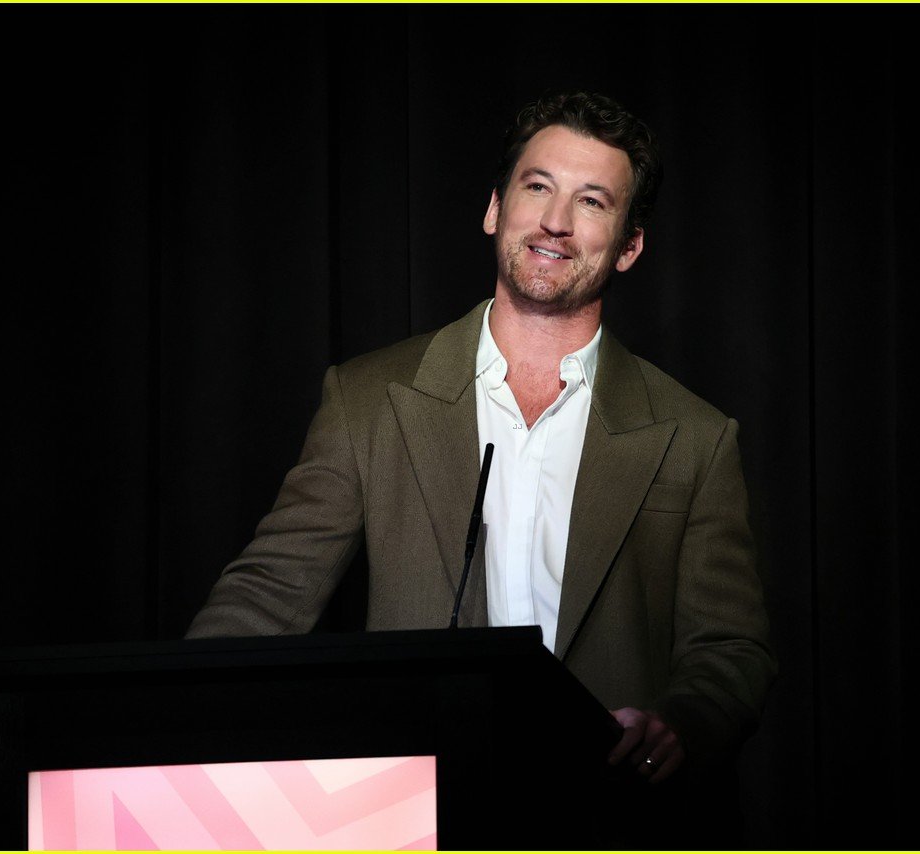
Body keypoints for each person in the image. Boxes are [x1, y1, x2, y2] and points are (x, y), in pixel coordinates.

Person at [187, 90, 774, 811]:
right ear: (496, 209)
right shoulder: (369, 398)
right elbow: (268, 596)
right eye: (538, 188)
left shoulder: (696, 436)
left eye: (591, 201)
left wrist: (681, 725)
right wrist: (164, 730)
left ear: (629, 245)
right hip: (409, 805)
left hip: (607, 809)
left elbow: (731, 650)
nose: (556, 222)